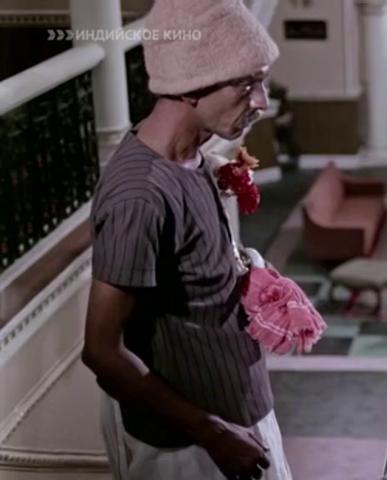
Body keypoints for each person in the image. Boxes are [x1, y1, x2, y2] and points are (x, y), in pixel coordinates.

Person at [81, 1, 291, 479]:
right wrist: (213, 433)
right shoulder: (139, 195)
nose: (261, 101)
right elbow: (101, 351)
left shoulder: (192, 158)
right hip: (192, 451)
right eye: (246, 84)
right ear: (191, 85)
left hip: (238, 419)